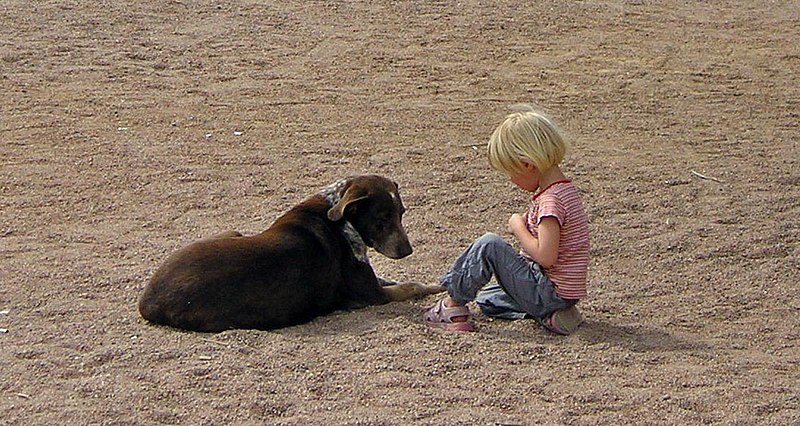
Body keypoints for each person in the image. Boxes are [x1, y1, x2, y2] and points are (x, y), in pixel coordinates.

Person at [424, 105, 589, 334]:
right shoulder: (565, 192)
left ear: (527, 164)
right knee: (487, 299)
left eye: (511, 172)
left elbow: (546, 256)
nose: (512, 180)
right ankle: (556, 316)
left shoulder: (550, 201)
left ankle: (452, 305)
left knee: (489, 244)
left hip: (549, 292)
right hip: (562, 296)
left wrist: (518, 227)